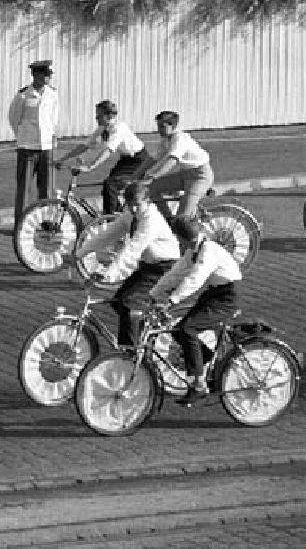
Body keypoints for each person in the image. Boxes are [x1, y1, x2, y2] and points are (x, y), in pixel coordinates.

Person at [70, 180, 180, 346]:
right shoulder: (131, 215)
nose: (133, 209)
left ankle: (129, 353)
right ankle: (142, 337)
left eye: (137, 205)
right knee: (118, 302)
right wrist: (79, 254)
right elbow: (108, 235)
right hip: (148, 267)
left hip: (165, 268)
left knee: (129, 304)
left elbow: (132, 250)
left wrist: (106, 274)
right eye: (130, 205)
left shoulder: (151, 221)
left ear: (148, 201)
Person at [149, 215, 242, 405]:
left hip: (226, 298)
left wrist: (172, 300)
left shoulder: (208, 252)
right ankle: (208, 364)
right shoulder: (195, 249)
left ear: (183, 239)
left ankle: (199, 385)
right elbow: (177, 273)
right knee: (178, 330)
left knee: (188, 330)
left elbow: (195, 279)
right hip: (214, 294)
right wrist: (154, 293)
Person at [55, 101, 148, 215]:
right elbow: (84, 146)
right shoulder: (103, 128)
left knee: (110, 185)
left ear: (109, 116)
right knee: (108, 188)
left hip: (138, 160)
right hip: (126, 160)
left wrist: (90, 167)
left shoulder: (118, 128)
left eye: (99, 115)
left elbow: (108, 151)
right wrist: (63, 159)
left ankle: (110, 220)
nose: (96, 118)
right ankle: (116, 214)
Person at [7, 60, 59, 230]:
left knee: (47, 188)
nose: (48, 77)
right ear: (35, 75)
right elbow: (14, 118)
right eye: (45, 74)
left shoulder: (52, 94)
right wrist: (22, 137)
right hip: (27, 147)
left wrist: (52, 136)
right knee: (24, 189)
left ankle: (47, 222)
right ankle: (21, 225)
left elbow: (54, 118)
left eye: (49, 74)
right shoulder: (23, 95)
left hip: (46, 147)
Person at [138, 110, 214, 220]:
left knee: (182, 219)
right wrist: (135, 175)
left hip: (199, 177)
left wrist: (154, 176)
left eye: (162, 127)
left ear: (172, 125)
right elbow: (153, 158)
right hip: (184, 175)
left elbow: (172, 160)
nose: (159, 130)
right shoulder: (166, 139)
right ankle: (168, 220)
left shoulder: (180, 139)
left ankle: (180, 227)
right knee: (148, 188)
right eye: (158, 126)